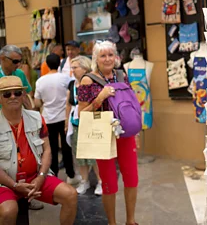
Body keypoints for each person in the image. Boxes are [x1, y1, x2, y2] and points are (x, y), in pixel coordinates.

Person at [0, 76, 77, 225]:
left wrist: (41, 176)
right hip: (5, 182)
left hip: (34, 177)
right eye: (7, 94)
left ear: (24, 95)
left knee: (70, 195)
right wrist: (14, 185)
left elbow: (47, 150)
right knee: (9, 210)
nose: (13, 97)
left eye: (17, 92)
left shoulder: (36, 118)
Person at [78, 41, 138, 225]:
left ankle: (130, 220)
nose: (107, 59)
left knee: (132, 178)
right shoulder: (87, 80)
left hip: (125, 132)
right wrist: (100, 98)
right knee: (109, 182)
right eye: (103, 55)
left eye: (110, 55)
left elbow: (130, 105)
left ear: (116, 57)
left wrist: (137, 133)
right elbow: (82, 114)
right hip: (102, 133)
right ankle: (112, 223)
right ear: (96, 59)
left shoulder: (121, 75)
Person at [34, 54, 79, 186]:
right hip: (64, 117)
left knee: (51, 148)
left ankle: (53, 176)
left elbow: (37, 103)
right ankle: (71, 175)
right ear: (59, 64)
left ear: (47, 65)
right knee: (66, 147)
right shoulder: (66, 78)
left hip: (48, 118)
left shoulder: (40, 81)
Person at [66, 55, 102, 195]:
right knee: (80, 154)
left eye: (75, 67)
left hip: (91, 121)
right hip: (75, 122)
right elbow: (68, 103)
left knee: (94, 154)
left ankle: (100, 181)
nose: (73, 71)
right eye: (71, 68)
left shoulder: (91, 82)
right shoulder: (72, 84)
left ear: (85, 67)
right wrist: (65, 122)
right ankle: (84, 181)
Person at [0, 45, 33, 109]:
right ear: (2, 58)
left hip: (18, 114)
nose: (18, 64)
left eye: (20, 61)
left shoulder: (20, 74)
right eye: (15, 61)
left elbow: (27, 96)